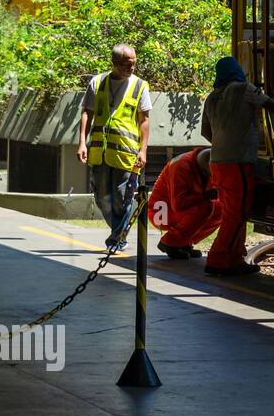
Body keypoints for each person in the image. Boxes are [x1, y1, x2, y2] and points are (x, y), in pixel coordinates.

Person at [201, 57, 274, 276]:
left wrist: (221, 142)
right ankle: (218, 259)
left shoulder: (212, 97)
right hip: (238, 162)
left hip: (217, 161)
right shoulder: (244, 89)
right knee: (237, 214)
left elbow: (205, 131)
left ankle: (236, 257)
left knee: (233, 211)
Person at [77, 43, 150, 253]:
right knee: (101, 197)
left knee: (122, 197)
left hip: (127, 153)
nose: (132, 68)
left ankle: (117, 238)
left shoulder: (140, 86)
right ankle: (120, 232)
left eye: (134, 63)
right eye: (127, 64)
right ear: (115, 64)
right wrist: (82, 141)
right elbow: (87, 113)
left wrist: (143, 150)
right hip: (99, 152)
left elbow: (144, 120)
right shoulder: (97, 82)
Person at [148, 147, 220, 260]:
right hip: (161, 213)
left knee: (221, 208)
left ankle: (184, 243)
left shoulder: (205, 162)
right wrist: (206, 195)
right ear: (202, 170)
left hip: (174, 210)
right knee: (205, 208)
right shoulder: (181, 166)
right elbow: (178, 204)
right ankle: (170, 243)